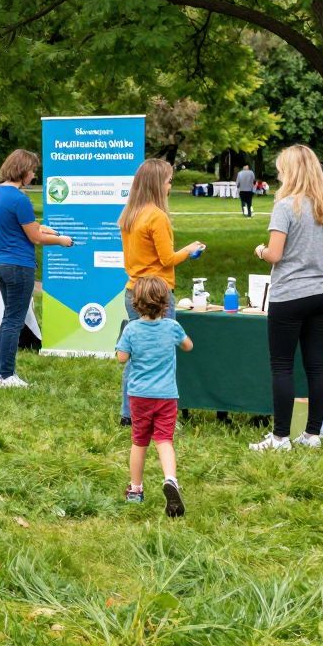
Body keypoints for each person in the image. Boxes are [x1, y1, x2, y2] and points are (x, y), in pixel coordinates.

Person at [249, 145, 323, 451]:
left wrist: (260, 251)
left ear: (290, 172)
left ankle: (280, 437)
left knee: (282, 366)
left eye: (281, 169)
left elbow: (275, 253)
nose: (278, 174)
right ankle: (313, 434)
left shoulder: (286, 207)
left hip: (290, 293)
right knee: (316, 364)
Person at [117, 159, 204, 421]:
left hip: (133, 291)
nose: (169, 186)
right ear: (157, 184)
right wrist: (189, 250)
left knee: (135, 355)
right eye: (168, 181)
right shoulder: (157, 216)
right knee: (162, 356)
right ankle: (161, 413)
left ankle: (128, 413)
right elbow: (166, 259)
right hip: (158, 293)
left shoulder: (130, 214)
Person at [0, 149, 74, 389]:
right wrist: (61, 240)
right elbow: (35, 237)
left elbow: (22, 227)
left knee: (8, 319)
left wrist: (43, 229)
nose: (34, 175)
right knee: (14, 321)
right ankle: (7, 375)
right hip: (18, 265)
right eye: (32, 170)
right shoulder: (19, 199)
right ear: (23, 170)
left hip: (0, 262)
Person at [116, 276, 192, 517]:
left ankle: (136, 490)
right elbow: (188, 346)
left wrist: (122, 346)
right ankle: (170, 480)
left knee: (139, 441)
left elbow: (121, 358)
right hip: (167, 395)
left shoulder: (131, 329)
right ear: (165, 304)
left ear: (136, 303)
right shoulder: (172, 327)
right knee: (164, 440)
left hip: (139, 396)